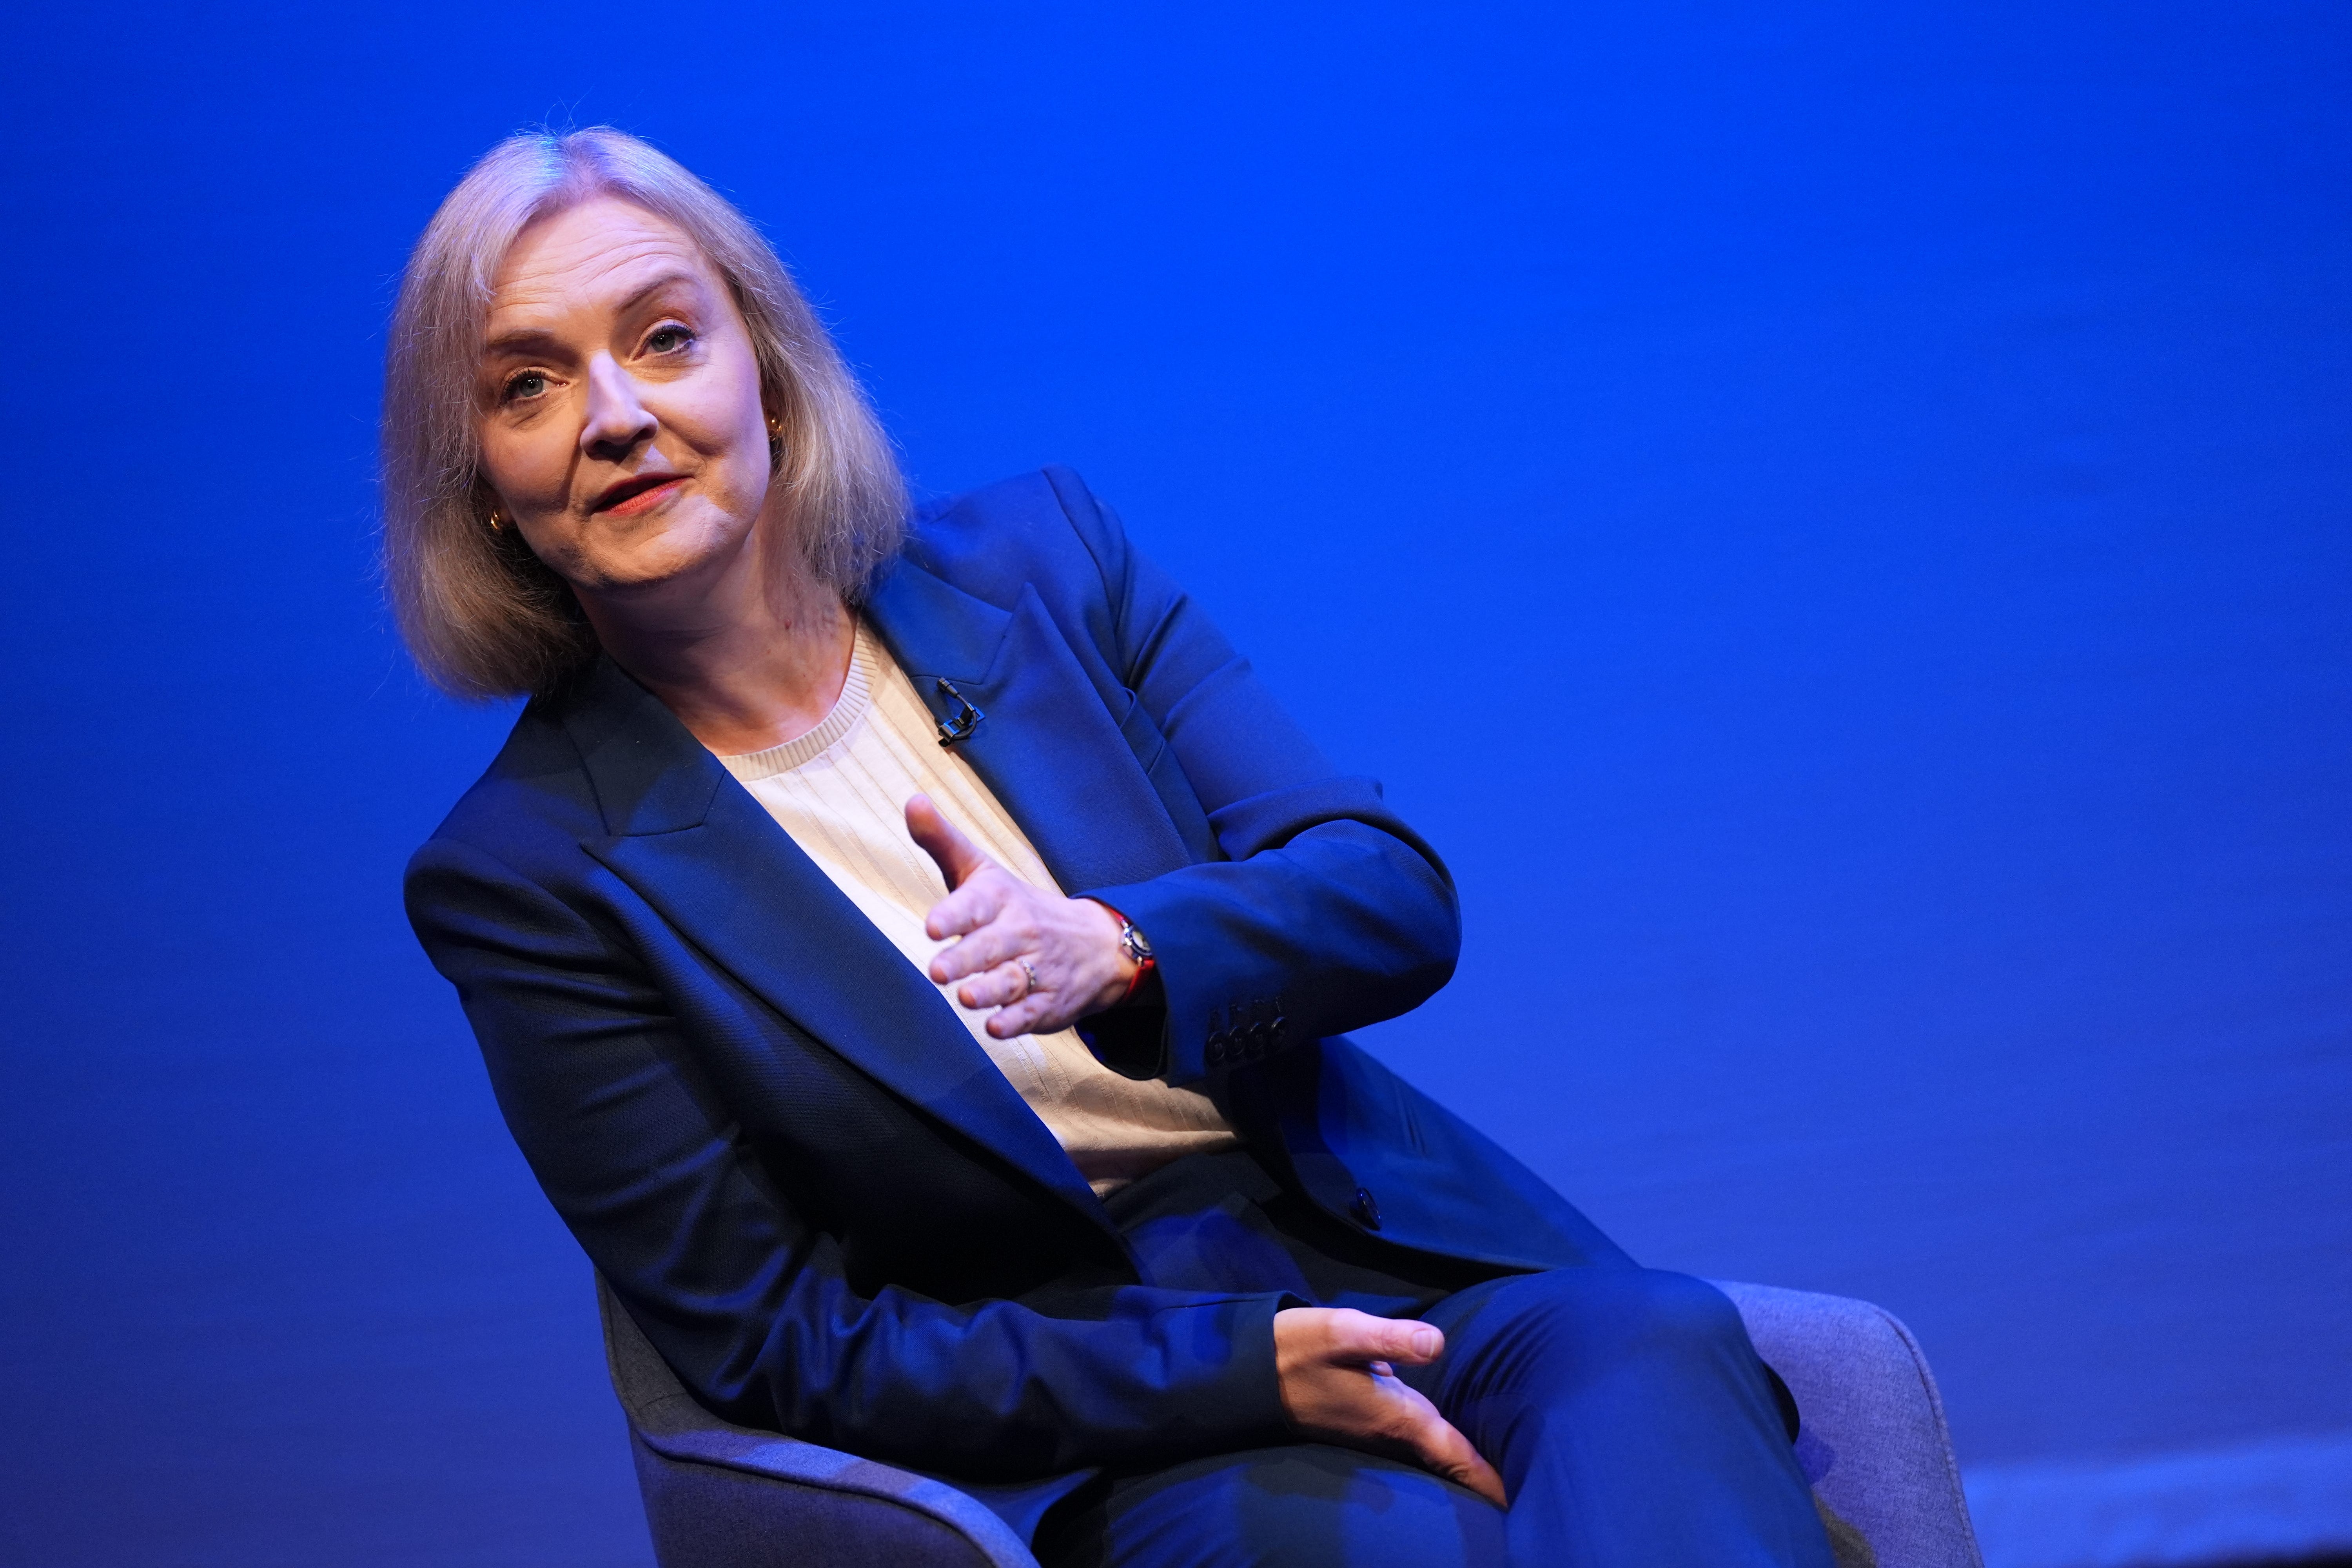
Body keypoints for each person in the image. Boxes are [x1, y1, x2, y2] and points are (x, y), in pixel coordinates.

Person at [389, 127, 1834, 1568]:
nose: (615, 416)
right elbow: (787, 1343)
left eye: (662, 339)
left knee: (1654, 1344)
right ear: (482, 487)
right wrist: (1237, 1369)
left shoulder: (1043, 561)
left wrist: (1125, 949)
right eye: (530, 385)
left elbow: (1389, 893)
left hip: (1382, 1250)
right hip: (1101, 1393)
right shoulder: (529, 877)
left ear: (765, 368)